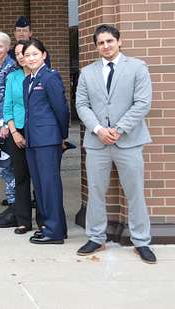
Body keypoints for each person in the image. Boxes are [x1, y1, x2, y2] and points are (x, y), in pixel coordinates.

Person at [75, 24, 156, 264]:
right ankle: (96, 237)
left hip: (128, 141)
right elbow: (81, 105)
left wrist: (118, 130)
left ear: (119, 42)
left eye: (110, 41)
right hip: (97, 141)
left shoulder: (137, 67)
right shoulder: (87, 72)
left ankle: (141, 241)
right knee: (96, 192)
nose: (106, 46)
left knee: (134, 192)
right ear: (96, 47)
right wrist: (99, 130)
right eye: (101, 43)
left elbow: (143, 103)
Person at [23, 38, 69, 245]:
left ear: (44, 55)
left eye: (35, 54)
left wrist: (62, 135)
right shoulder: (28, 81)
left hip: (48, 140)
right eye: (27, 55)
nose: (31, 58)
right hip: (32, 140)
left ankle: (55, 231)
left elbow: (61, 108)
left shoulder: (50, 77)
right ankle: (51, 226)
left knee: (50, 185)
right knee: (40, 186)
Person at [0, 40, 41, 233]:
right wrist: (13, 130)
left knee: (39, 178)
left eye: (26, 53)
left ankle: (43, 220)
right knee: (20, 177)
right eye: (19, 54)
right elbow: (7, 105)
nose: (22, 57)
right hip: (16, 131)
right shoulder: (12, 76)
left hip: (38, 132)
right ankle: (23, 220)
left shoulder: (42, 75)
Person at [0, 32, 18, 225]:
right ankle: (12, 205)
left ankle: (16, 210)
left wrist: (9, 124)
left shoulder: (11, 68)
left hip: (7, 125)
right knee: (3, 166)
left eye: (0, 46)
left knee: (10, 167)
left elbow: (14, 99)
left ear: (7, 48)